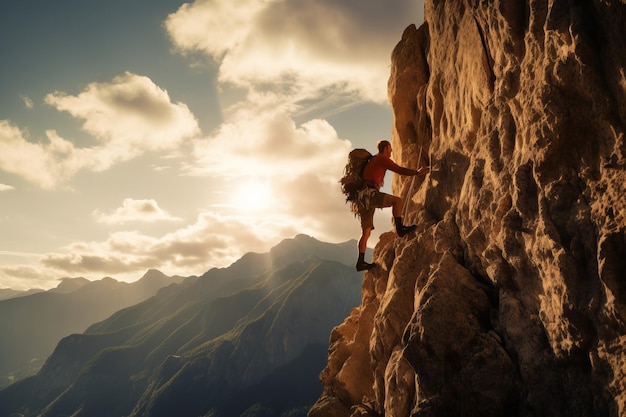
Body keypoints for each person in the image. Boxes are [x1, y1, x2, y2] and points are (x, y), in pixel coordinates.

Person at [355, 139, 429, 271]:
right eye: (390, 148)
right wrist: (417, 172)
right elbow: (398, 169)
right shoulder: (381, 158)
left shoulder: (372, 160)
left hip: (361, 198)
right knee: (397, 201)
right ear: (386, 148)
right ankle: (400, 229)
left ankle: (360, 262)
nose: (392, 151)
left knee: (366, 232)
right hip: (370, 194)